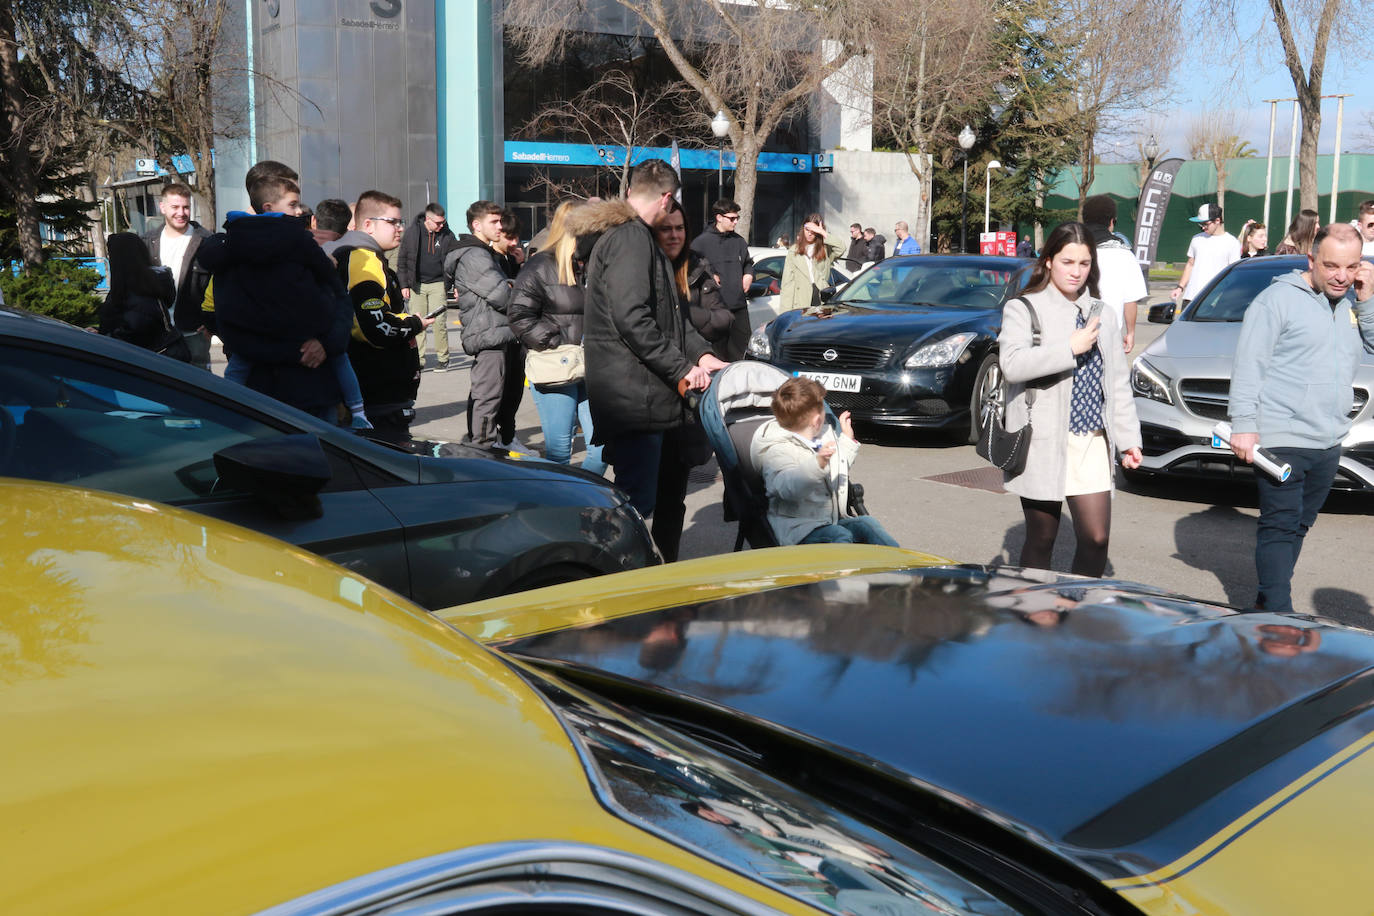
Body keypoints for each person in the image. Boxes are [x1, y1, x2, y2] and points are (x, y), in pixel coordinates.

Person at [1227, 223, 1374, 612]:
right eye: (1331, 266)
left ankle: (1265, 604)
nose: (1341, 276)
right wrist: (1243, 425)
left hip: (1328, 439)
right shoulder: (1276, 300)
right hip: (1281, 435)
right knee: (1279, 524)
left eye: (1351, 266)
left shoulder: (1349, 303)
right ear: (1311, 259)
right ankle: (1279, 615)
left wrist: (1368, 300)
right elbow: (1248, 365)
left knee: (1299, 525)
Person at [582, 158, 728, 517]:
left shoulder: (636, 237)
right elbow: (632, 318)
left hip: (642, 398)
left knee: (648, 502)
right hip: (635, 401)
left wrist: (703, 355)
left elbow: (671, 320)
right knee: (634, 509)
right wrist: (682, 368)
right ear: (666, 198)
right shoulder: (631, 239)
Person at [997, 221, 1143, 578]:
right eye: (1068, 262)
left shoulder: (1103, 314)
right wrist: (1069, 348)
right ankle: (1036, 617)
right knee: (1042, 538)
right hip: (1042, 440)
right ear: (1048, 261)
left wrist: (1128, 439)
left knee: (1095, 538)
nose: (1076, 272)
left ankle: (1079, 617)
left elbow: (1117, 383)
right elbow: (1012, 365)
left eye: (1084, 263)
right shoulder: (1023, 308)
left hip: (1091, 440)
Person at [196, 175, 358, 423]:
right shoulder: (232, 251)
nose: (300, 211)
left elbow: (338, 298)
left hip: (311, 385)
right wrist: (305, 345)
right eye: (293, 204)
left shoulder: (301, 245)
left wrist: (326, 342)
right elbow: (234, 319)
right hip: (274, 390)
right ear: (267, 206)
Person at [653, 196, 735, 560]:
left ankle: (666, 566)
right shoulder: (641, 268)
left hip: (687, 393)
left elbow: (722, 318)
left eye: (679, 228)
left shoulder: (697, 266)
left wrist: (691, 332)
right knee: (639, 494)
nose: (673, 235)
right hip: (646, 394)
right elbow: (638, 330)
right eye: (665, 228)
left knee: (673, 493)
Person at [508, 200, 606, 475]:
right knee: (559, 454)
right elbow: (518, 316)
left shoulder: (591, 265)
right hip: (556, 367)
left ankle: (582, 500)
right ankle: (561, 510)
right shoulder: (540, 265)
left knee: (603, 449)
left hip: (593, 367)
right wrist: (555, 341)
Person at [332, 189, 433, 442]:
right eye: (393, 222)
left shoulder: (364, 257)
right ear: (368, 225)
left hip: (378, 390)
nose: (400, 228)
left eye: (401, 221)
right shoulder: (363, 260)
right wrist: (414, 324)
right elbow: (373, 328)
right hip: (377, 392)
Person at [750, 376, 897, 546]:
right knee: (839, 535)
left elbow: (836, 469)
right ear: (817, 420)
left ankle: (902, 565)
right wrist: (817, 464)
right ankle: (845, 572)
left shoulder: (822, 436)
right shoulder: (778, 450)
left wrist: (847, 442)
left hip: (829, 519)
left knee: (867, 524)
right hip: (797, 528)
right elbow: (787, 488)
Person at [445, 200, 520, 449]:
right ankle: (482, 451)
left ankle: (484, 447)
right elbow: (502, 295)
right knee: (487, 397)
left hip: (493, 331)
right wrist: (511, 286)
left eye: (500, 221)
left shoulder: (482, 252)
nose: (500, 226)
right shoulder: (475, 254)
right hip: (488, 333)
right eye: (494, 222)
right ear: (477, 225)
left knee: (489, 395)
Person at [141, 182, 212, 369]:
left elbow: (220, 284)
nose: (181, 213)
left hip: (193, 333)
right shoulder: (147, 242)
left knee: (200, 388)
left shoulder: (206, 242)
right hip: (156, 333)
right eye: (175, 207)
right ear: (162, 207)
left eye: (186, 207)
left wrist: (212, 322)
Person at [395, 203, 459, 371]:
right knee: (418, 322)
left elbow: (456, 261)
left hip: (439, 283)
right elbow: (402, 260)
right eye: (438, 223)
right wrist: (404, 284)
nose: (441, 225)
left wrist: (457, 284)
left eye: (443, 222)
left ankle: (443, 358)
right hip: (416, 285)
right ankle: (419, 359)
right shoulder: (412, 233)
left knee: (439, 322)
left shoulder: (447, 235)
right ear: (428, 220)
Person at [689, 198, 754, 360]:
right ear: (719, 217)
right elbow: (691, 270)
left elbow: (748, 263)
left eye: (737, 218)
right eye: (732, 218)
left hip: (739, 308)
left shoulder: (739, 241)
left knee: (743, 356)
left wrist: (748, 274)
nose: (735, 222)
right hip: (714, 310)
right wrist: (710, 274)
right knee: (717, 357)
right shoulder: (700, 242)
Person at [1082, 195, 1147, 353]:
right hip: (1107, 336)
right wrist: (1130, 333)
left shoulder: (1070, 247)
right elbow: (1130, 301)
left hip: (1070, 334)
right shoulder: (1124, 254)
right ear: (1112, 222)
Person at [98, 232, 180, 353]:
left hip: (140, 362)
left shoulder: (140, 294)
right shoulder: (143, 287)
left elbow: (132, 334)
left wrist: (102, 339)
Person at [1171, 203, 1240, 310]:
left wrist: (1222, 296)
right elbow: (1190, 264)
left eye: (1205, 224)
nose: (1203, 227)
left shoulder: (1232, 243)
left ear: (1217, 221)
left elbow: (1232, 273)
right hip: (1190, 298)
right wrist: (1180, 287)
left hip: (1213, 300)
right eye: (1200, 224)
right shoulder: (1196, 239)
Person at [779, 214, 843, 313]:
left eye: (813, 231)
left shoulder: (825, 249)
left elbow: (841, 248)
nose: (809, 234)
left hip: (821, 297)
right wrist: (784, 313)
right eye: (807, 230)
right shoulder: (793, 250)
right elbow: (787, 283)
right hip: (800, 299)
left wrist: (822, 232)